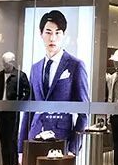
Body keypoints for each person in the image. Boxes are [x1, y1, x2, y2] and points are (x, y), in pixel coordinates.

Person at [19, 10, 89, 155]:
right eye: (48, 32)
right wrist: (20, 148)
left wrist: (73, 148)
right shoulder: (35, 68)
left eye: (57, 33)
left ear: (64, 35)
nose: (53, 38)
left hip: (61, 140)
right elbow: (29, 109)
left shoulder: (75, 65)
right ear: (41, 34)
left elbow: (84, 111)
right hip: (34, 138)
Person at [0, 52, 30, 165]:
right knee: (3, 141)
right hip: (1, 112)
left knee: (12, 140)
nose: (5, 65)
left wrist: (19, 105)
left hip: (13, 112)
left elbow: (27, 92)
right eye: (3, 62)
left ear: (13, 62)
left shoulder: (20, 76)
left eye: (7, 62)